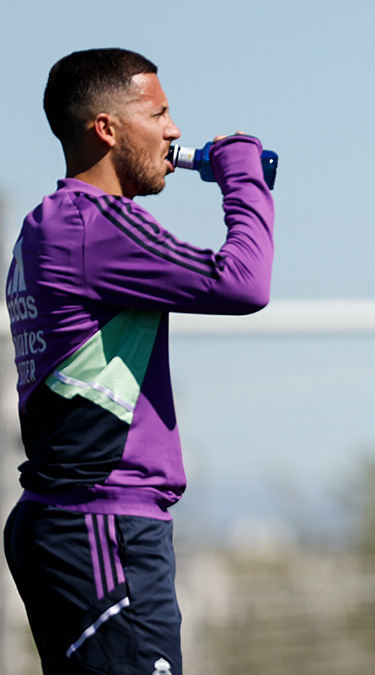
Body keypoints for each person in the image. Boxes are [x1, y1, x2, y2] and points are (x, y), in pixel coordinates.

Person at [3, 48, 273, 674]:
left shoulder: (49, 224)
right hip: (101, 524)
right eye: (159, 113)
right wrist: (244, 178)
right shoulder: (97, 224)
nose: (174, 131)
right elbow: (244, 282)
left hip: (74, 522)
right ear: (107, 128)